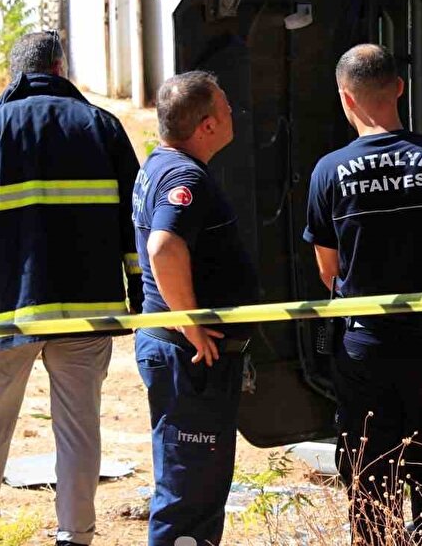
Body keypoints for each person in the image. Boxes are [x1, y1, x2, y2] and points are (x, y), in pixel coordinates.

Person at [0, 32, 143, 546]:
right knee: (79, 428)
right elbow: (135, 221)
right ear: (59, 68)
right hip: (88, 309)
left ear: (16, 75)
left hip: (8, 309)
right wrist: (141, 292)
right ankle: (75, 534)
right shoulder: (103, 127)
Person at [304, 44, 422, 546]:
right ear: (399, 88)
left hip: (364, 348)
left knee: (368, 474)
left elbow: (328, 270)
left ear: (346, 97)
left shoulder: (328, 172)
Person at [131, 71, 260, 546]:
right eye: (226, 108)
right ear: (207, 125)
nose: (233, 114)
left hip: (182, 355)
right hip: (187, 359)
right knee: (189, 495)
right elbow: (164, 247)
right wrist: (191, 326)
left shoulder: (162, 164)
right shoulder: (184, 177)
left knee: (198, 490)